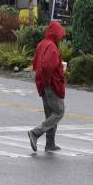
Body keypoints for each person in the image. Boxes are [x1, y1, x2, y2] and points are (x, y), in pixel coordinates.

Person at [27, 21, 67, 153]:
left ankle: (50, 143)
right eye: (60, 35)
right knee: (58, 112)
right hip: (51, 84)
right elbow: (48, 67)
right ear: (55, 34)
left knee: (50, 114)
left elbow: (36, 64)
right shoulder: (52, 47)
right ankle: (35, 132)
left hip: (43, 84)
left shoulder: (41, 44)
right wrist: (49, 80)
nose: (61, 38)